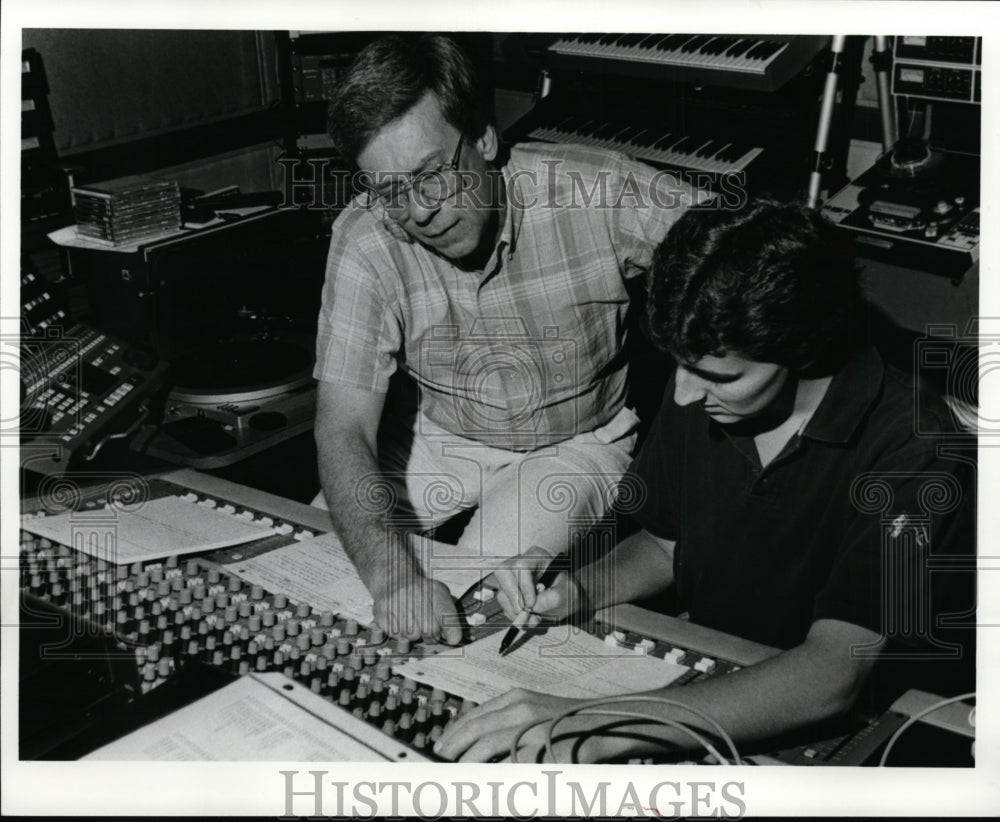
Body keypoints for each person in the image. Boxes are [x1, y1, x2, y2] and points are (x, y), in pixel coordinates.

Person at [438, 198, 976, 763]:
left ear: (805, 346)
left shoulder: (917, 450)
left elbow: (832, 674)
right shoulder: (708, 387)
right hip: (708, 679)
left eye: (717, 375)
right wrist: (575, 591)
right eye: (679, 365)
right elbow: (666, 544)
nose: (684, 395)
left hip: (840, 725)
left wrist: (593, 723)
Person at [313, 34, 703, 646]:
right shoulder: (365, 238)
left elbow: (751, 255)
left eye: (431, 175)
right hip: (436, 435)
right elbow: (343, 428)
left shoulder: (594, 191)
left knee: (478, 612)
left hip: (571, 442)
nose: (418, 211)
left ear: (487, 138)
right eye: (391, 192)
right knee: (313, 564)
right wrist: (391, 577)